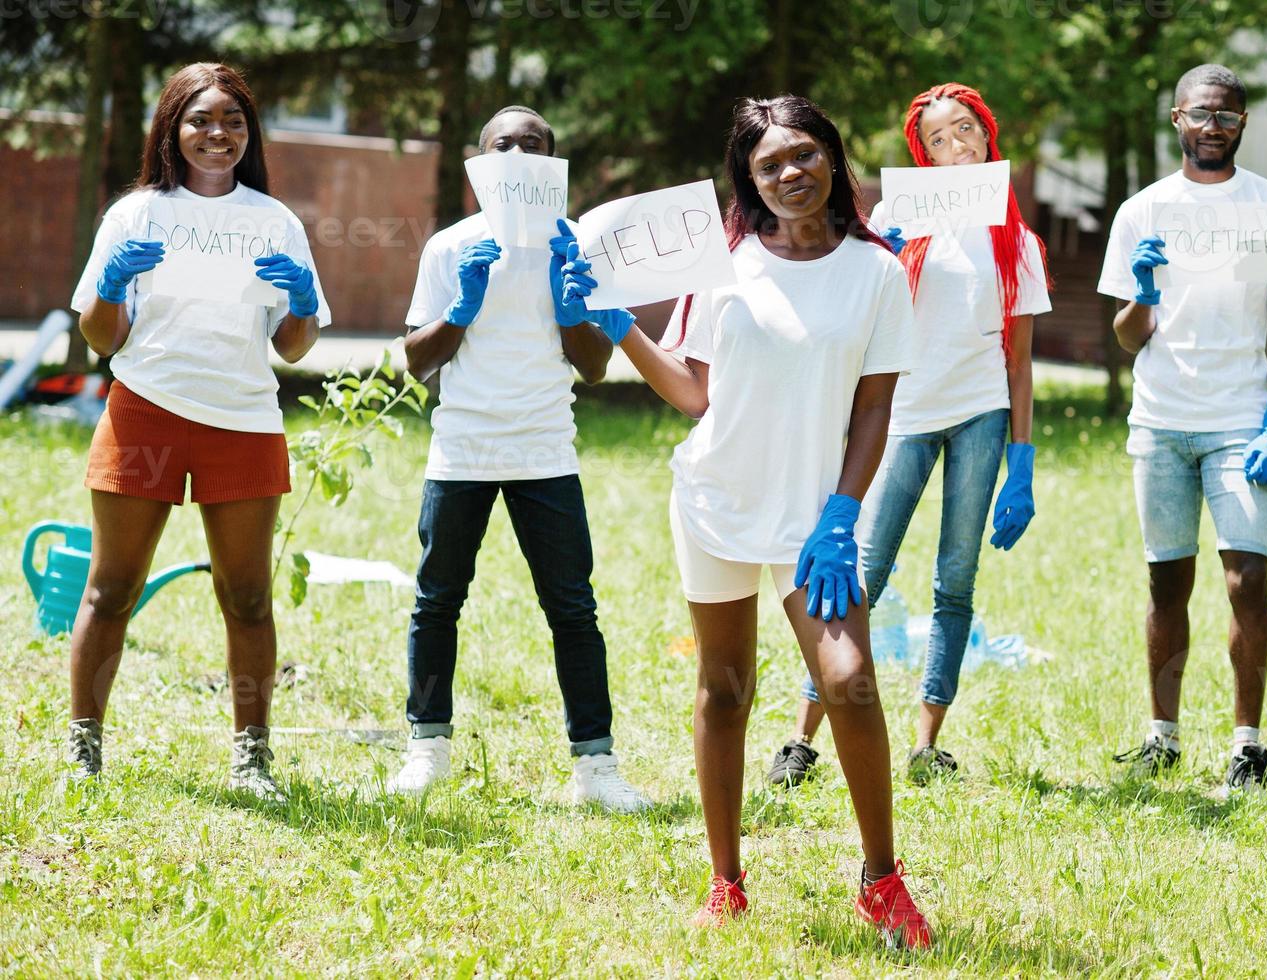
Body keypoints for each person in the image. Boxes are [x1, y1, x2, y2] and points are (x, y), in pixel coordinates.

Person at [559, 95, 933, 949]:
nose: (788, 174)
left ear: (833, 161)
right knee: (724, 689)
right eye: (768, 165)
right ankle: (725, 880)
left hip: (814, 519)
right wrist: (618, 327)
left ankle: (880, 880)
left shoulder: (876, 272)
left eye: (802, 156)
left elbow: (875, 410)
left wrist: (843, 512)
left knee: (847, 680)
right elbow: (694, 395)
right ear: (748, 181)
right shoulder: (720, 264)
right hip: (715, 501)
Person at [764, 82, 1051, 788]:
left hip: (981, 414)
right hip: (904, 416)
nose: (953, 147)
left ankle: (927, 743)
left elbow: (1019, 359)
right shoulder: (896, 218)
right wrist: (878, 252)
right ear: (918, 152)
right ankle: (802, 739)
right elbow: (850, 306)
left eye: (965, 132)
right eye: (936, 138)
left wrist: (1022, 460)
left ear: (986, 137)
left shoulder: (1017, 240)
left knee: (955, 579)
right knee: (860, 575)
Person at [65, 63, 330, 800]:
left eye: (234, 122)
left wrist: (304, 300)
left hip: (243, 421)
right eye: (202, 120)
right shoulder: (135, 216)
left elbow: (294, 346)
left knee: (246, 598)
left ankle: (252, 756)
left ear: (250, 134)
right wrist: (112, 285)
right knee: (111, 589)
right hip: (146, 410)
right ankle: (84, 746)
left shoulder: (274, 221)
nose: (218, 134)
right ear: (172, 128)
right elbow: (102, 339)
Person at [388, 105, 650, 815]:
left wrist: (574, 304)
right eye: (504, 144)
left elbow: (593, 367)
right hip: (463, 449)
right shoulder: (449, 247)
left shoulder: (576, 245)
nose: (519, 153)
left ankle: (594, 766)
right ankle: (427, 747)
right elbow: (417, 360)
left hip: (544, 448)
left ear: (550, 163)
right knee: (437, 599)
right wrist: (461, 308)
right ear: (481, 164)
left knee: (572, 607)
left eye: (533, 144)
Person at [1098, 64, 1267, 794]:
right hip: (1159, 420)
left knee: (1246, 577)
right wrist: (1143, 294)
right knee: (1166, 581)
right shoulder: (1142, 212)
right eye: (1200, 115)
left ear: (1241, 124)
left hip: (1238, 421)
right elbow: (1127, 336)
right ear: (1175, 119)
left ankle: (1246, 746)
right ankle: (1162, 736)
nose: (1212, 127)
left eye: (1225, 116)